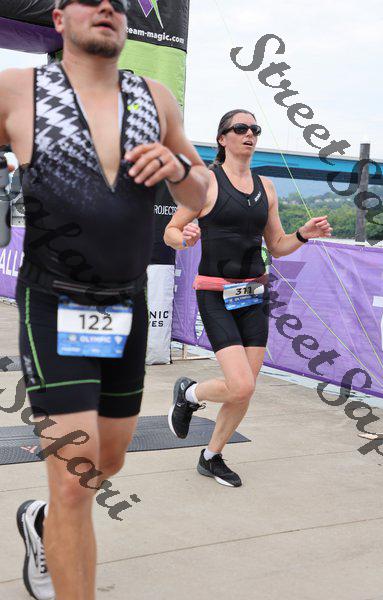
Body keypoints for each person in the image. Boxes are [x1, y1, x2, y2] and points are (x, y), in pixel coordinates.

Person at [0, 1, 209, 598]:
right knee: (77, 476)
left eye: (117, 3)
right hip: (52, 301)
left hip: (125, 304)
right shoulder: (18, 90)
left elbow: (201, 191)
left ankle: (42, 522)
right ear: (58, 18)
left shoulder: (154, 98)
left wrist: (177, 167)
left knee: (108, 462)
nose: (107, 8)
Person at [164, 109, 332, 488]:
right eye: (240, 128)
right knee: (239, 385)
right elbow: (170, 231)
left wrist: (303, 234)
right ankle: (189, 393)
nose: (249, 134)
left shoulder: (266, 187)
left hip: (254, 295)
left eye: (254, 128)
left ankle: (211, 456)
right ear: (222, 138)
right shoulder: (205, 183)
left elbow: (277, 245)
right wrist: (184, 238)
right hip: (215, 295)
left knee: (245, 390)